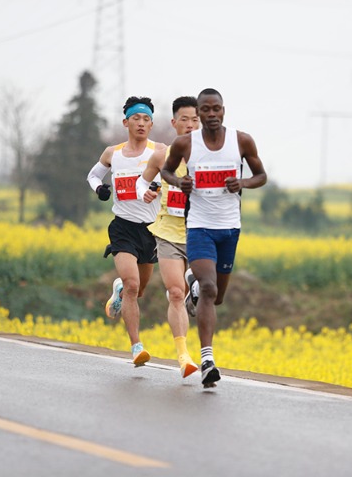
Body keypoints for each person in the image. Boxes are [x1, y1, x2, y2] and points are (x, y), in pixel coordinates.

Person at [161, 88, 267, 387]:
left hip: (230, 228)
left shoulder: (241, 141)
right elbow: (167, 172)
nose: (210, 115)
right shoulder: (185, 144)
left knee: (217, 296)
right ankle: (208, 360)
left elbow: (262, 176)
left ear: (223, 110)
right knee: (208, 289)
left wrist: (243, 182)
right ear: (199, 112)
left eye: (215, 109)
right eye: (204, 110)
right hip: (199, 226)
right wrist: (180, 181)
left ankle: (195, 284)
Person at [86, 96, 166, 367]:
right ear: (126, 122)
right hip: (122, 228)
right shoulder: (113, 153)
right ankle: (136, 347)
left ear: (152, 124)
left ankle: (118, 290)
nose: (141, 123)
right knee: (133, 286)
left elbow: (174, 179)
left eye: (146, 119)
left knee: (138, 290)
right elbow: (93, 175)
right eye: (136, 118)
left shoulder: (159, 152)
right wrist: (100, 189)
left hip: (151, 231)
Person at [135, 96, 200, 379]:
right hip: (168, 234)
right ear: (174, 123)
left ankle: (193, 285)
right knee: (175, 294)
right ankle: (184, 355)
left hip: (200, 233)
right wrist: (146, 192)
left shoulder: (210, 157)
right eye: (184, 119)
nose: (190, 124)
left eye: (195, 119)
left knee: (204, 294)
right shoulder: (162, 156)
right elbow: (142, 181)